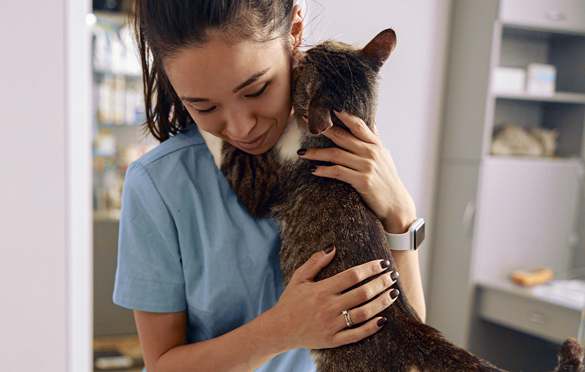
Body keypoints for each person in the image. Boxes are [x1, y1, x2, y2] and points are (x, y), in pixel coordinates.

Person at [113, 1, 426, 371]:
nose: (242, 127)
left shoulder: (355, 155)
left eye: (257, 90)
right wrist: (281, 331)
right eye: (205, 107)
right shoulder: (160, 184)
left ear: (295, 31)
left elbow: (403, 344)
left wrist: (401, 217)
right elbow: (162, 364)